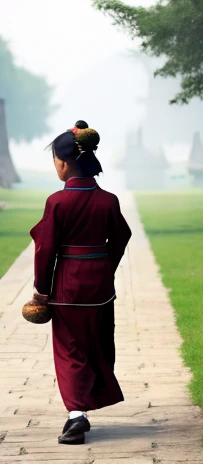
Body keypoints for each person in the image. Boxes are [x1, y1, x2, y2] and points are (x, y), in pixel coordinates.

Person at [29, 121, 131, 445]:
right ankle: (85, 405)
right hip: (100, 290)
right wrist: (106, 269)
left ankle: (76, 416)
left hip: (67, 291)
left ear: (63, 163)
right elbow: (121, 237)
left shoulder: (56, 203)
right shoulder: (109, 200)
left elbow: (45, 249)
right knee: (98, 345)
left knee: (70, 349)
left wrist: (41, 291)